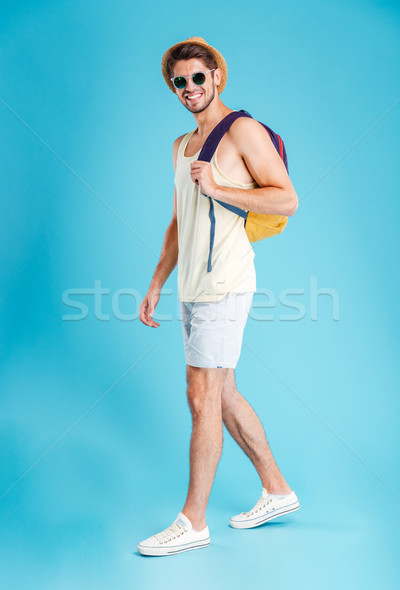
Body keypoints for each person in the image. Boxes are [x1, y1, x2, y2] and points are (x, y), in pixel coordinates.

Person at [137, 37, 300, 557]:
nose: (189, 88)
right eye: (179, 82)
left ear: (217, 78)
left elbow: (287, 198)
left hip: (226, 281)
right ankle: (277, 491)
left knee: (202, 397)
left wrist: (219, 188)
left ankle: (193, 521)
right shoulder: (182, 146)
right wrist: (157, 282)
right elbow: (179, 221)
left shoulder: (243, 132)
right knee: (220, 392)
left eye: (197, 78)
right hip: (192, 285)